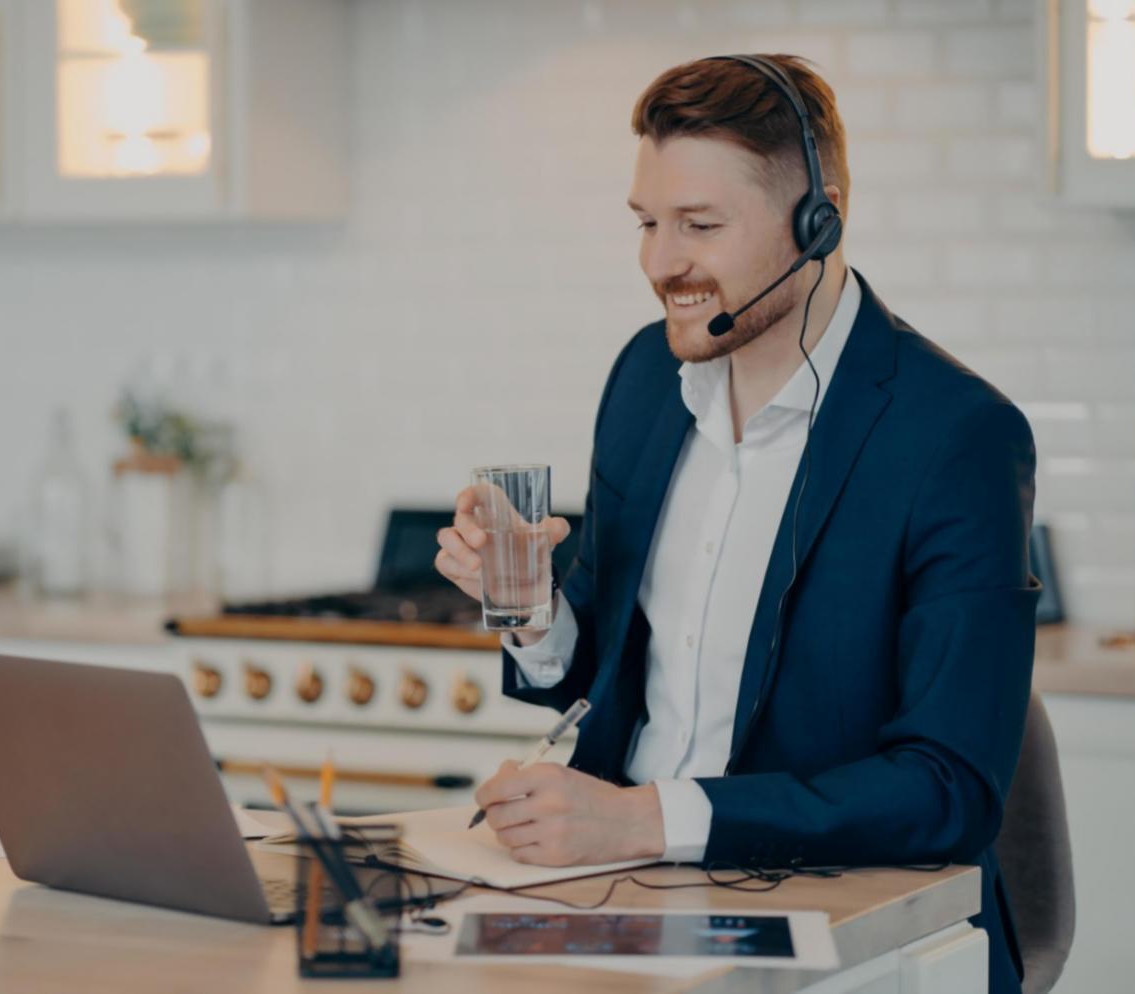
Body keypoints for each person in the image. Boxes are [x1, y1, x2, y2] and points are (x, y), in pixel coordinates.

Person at [434, 54, 1037, 994]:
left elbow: (948, 789)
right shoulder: (645, 378)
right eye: (646, 223)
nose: (660, 263)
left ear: (819, 218)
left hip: (845, 923)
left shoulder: (955, 436)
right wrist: (532, 607)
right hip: (620, 900)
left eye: (700, 226)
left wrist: (642, 819)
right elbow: (616, 662)